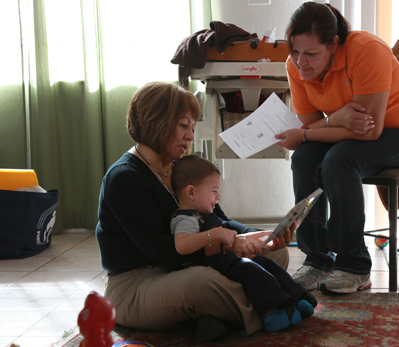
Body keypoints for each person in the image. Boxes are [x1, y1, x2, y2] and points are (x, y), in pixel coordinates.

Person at [96, 82, 296, 341]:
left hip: (186, 268)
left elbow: (219, 220)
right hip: (138, 283)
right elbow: (162, 251)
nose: (190, 136)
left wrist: (258, 236)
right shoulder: (124, 178)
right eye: (183, 126)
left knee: (275, 253)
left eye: (192, 127)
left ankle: (219, 316)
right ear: (156, 122)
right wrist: (229, 244)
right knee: (202, 282)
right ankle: (270, 306)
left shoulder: (181, 168)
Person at [275, 2, 399, 294]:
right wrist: (335, 119)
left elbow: (369, 130)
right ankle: (317, 260)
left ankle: (354, 265)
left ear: (334, 43)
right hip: (353, 136)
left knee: (338, 161)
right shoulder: (294, 67)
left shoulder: (366, 49)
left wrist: (311, 131)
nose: (301, 63)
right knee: (304, 158)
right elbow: (313, 128)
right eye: (295, 52)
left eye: (311, 53)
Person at [169, 154, 316, 332]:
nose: (219, 197)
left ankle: (298, 296)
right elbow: (181, 245)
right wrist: (215, 234)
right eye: (214, 191)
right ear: (191, 192)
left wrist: (256, 236)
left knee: (264, 262)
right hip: (211, 267)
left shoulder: (203, 212)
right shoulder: (185, 219)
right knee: (251, 270)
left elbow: (226, 221)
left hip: (226, 261)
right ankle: (272, 314)